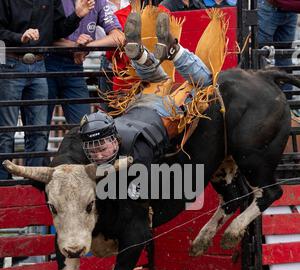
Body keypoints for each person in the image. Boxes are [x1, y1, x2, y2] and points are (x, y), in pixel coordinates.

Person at [79, 11, 211, 194]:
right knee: (201, 82)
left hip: (155, 112)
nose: (99, 155)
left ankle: (148, 54)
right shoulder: (131, 152)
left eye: (100, 149)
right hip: (144, 107)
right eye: (95, 152)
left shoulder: (129, 157)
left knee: (182, 82)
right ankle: (150, 53)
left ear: (112, 139)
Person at [0, 0, 96, 180]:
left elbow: (58, 29)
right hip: (12, 63)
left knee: (39, 131)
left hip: (38, 64)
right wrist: (19, 37)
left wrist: (77, 15)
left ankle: (34, 183)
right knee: (7, 131)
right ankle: (4, 184)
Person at [46, 0, 123, 126]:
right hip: (47, 63)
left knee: (83, 126)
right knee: (39, 129)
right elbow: (44, 35)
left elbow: (119, 37)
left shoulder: (99, 2)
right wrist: (76, 47)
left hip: (74, 66)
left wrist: (86, 47)